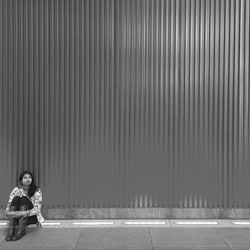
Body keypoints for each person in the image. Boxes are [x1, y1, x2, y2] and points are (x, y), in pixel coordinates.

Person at [5, 170, 45, 241]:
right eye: (25, 178)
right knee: (16, 198)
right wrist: (8, 212)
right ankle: (11, 231)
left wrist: (25, 213)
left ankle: (21, 230)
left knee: (23, 198)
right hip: (17, 218)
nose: (28, 179)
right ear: (21, 181)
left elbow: (37, 209)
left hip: (31, 218)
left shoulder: (37, 190)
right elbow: (9, 204)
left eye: (29, 177)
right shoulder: (16, 190)